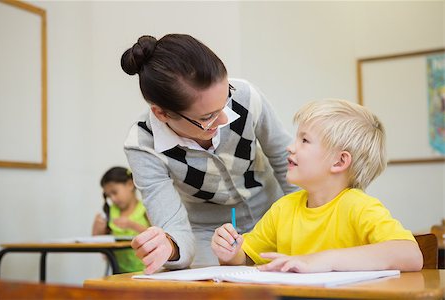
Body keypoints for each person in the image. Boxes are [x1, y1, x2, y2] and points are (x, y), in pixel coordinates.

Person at [120, 34, 298, 274]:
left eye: (225, 101)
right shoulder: (143, 145)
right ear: (161, 114)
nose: (225, 119)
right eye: (207, 117)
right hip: (207, 236)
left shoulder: (245, 97)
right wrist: (169, 246)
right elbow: (174, 229)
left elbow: (285, 161)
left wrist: (308, 218)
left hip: (274, 217)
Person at [211, 99, 423, 272]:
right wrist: (231, 253)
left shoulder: (358, 206)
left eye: (305, 140)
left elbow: (411, 255)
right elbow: (246, 259)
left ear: (339, 162)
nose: (290, 147)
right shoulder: (283, 209)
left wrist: (322, 260)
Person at [92, 166, 150, 273]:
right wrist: (97, 229)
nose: (113, 199)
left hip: (145, 271)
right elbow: (99, 244)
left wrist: (132, 225)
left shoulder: (145, 209)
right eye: (109, 196)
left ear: (129, 184)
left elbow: (157, 236)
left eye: (115, 192)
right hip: (118, 272)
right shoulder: (110, 212)